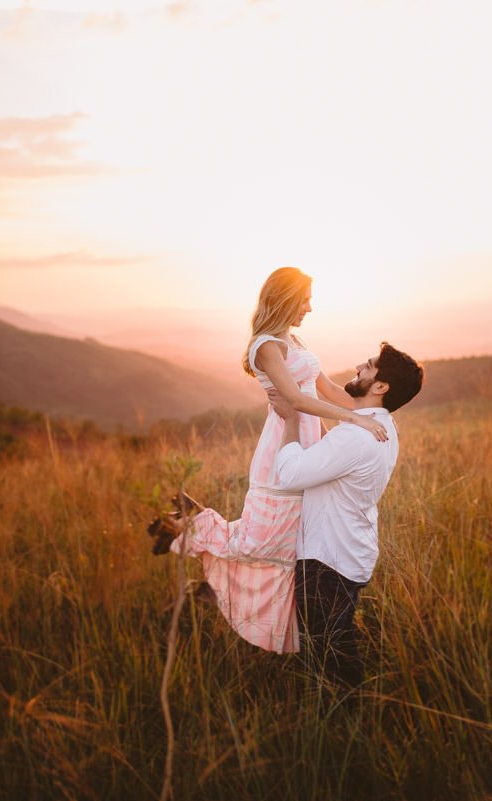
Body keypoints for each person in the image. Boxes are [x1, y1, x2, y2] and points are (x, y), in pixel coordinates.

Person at [150, 267, 388, 654]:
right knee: (259, 543)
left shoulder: (295, 340)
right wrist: (353, 418)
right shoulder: (265, 346)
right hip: (280, 453)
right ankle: (186, 527)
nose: (310, 307)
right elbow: (295, 400)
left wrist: (379, 411)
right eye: (305, 298)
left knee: (286, 553)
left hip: (310, 454)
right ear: (285, 298)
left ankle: (212, 578)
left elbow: (325, 388)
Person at [269, 342, 424, 687]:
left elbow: (291, 474)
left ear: (380, 386)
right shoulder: (378, 427)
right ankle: (345, 710)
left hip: (328, 561)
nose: (358, 366)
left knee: (330, 657)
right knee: (333, 644)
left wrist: (293, 420)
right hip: (349, 553)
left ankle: (345, 720)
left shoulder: (357, 435)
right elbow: (334, 459)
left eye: (368, 366)